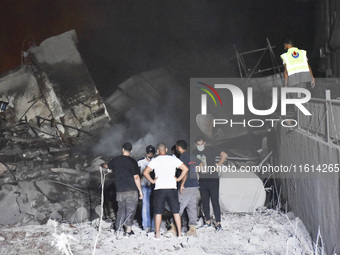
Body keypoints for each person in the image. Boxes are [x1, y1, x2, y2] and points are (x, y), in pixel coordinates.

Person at [143, 142, 189, 240]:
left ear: (157, 151)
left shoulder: (155, 160)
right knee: (176, 212)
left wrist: (152, 181)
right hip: (172, 188)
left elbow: (145, 172)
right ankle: (180, 234)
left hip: (159, 189)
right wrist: (178, 179)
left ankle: (157, 235)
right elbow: (185, 168)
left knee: (158, 212)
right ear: (166, 149)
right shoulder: (173, 159)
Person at [101, 142, 143, 236]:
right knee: (130, 210)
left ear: (122, 149)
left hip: (120, 190)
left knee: (121, 210)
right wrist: (140, 191)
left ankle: (118, 229)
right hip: (132, 190)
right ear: (131, 151)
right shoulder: (133, 162)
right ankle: (128, 231)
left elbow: (107, 166)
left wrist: (103, 165)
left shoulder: (116, 160)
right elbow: (136, 177)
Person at [192, 136, 228, 232]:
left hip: (213, 179)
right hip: (202, 179)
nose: (200, 146)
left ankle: (218, 223)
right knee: (205, 202)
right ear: (196, 144)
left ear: (205, 143)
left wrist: (218, 165)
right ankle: (207, 222)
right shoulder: (194, 153)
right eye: (198, 144)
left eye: (202, 144)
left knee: (215, 201)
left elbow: (224, 155)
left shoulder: (211, 149)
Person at [280, 40, 315, 123]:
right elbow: (308, 66)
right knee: (302, 99)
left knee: (296, 100)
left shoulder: (286, 56)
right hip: (304, 80)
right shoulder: (302, 52)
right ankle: (305, 120)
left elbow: (286, 71)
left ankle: (300, 122)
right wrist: (312, 77)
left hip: (293, 81)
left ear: (288, 45)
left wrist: (285, 85)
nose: (284, 47)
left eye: (285, 45)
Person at [176, 139, 200, 237]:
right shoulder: (191, 156)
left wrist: (182, 184)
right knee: (192, 207)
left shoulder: (183, 156)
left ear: (179, 147)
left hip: (187, 185)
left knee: (179, 206)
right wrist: (195, 173)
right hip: (194, 184)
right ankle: (193, 229)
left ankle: (174, 228)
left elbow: (184, 171)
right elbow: (201, 163)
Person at [137, 145, 155, 233]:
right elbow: (137, 175)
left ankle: (153, 225)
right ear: (146, 153)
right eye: (149, 153)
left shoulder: (156, 161)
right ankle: (146, 226)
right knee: (145, 205)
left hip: (154, 186)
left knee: (154, 206)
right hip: (144, 186)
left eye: (151, 153)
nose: (150, 154)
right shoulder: (140, 162)